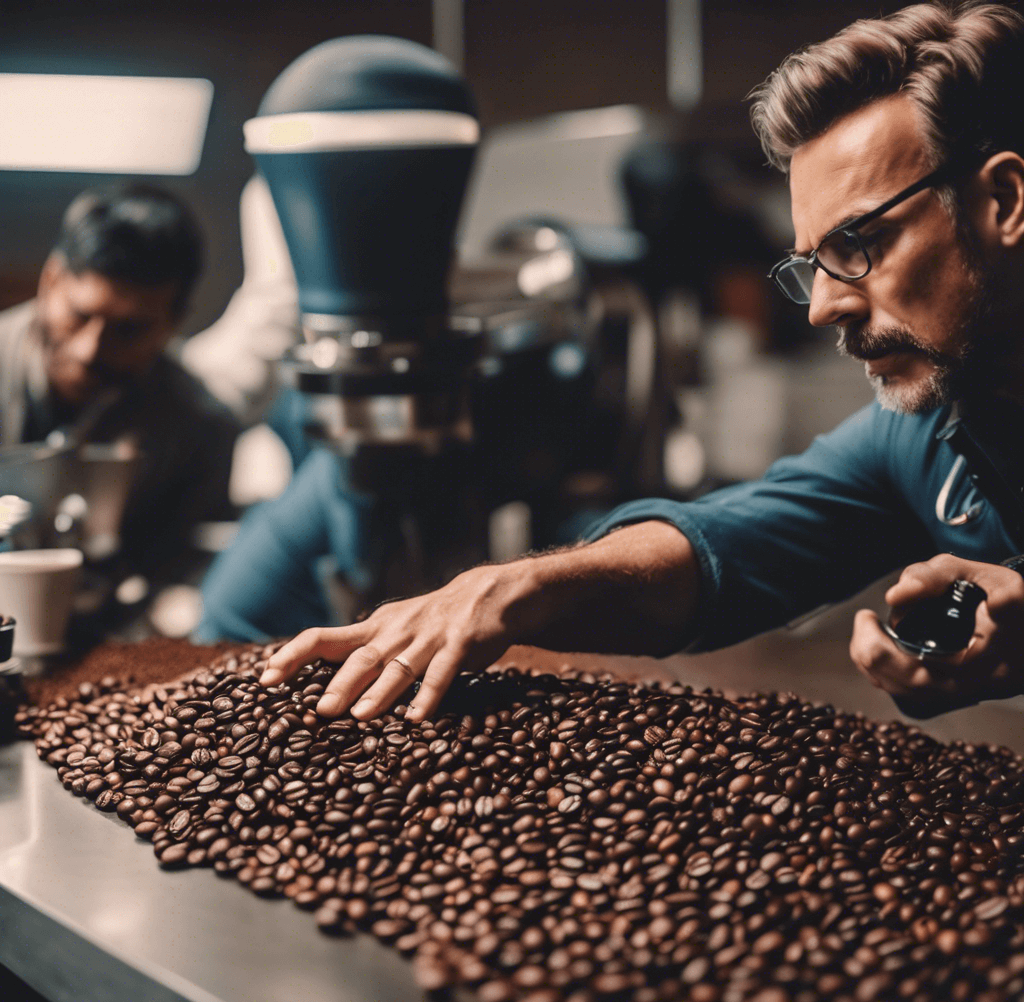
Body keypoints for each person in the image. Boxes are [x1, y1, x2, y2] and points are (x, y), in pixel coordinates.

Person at [261, 1, 1024, 723]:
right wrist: (513, 589)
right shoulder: (924, 435)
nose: (823, 306)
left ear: (1004, 201)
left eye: (858, 245)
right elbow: (726, 546)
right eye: (812, 264)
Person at [0, 183, 240, 613]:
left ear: (174, 321)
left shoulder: (201, 429)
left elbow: (182, 574)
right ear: (51, 280)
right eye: (79, 315)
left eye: (128, 330)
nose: (89, 350)